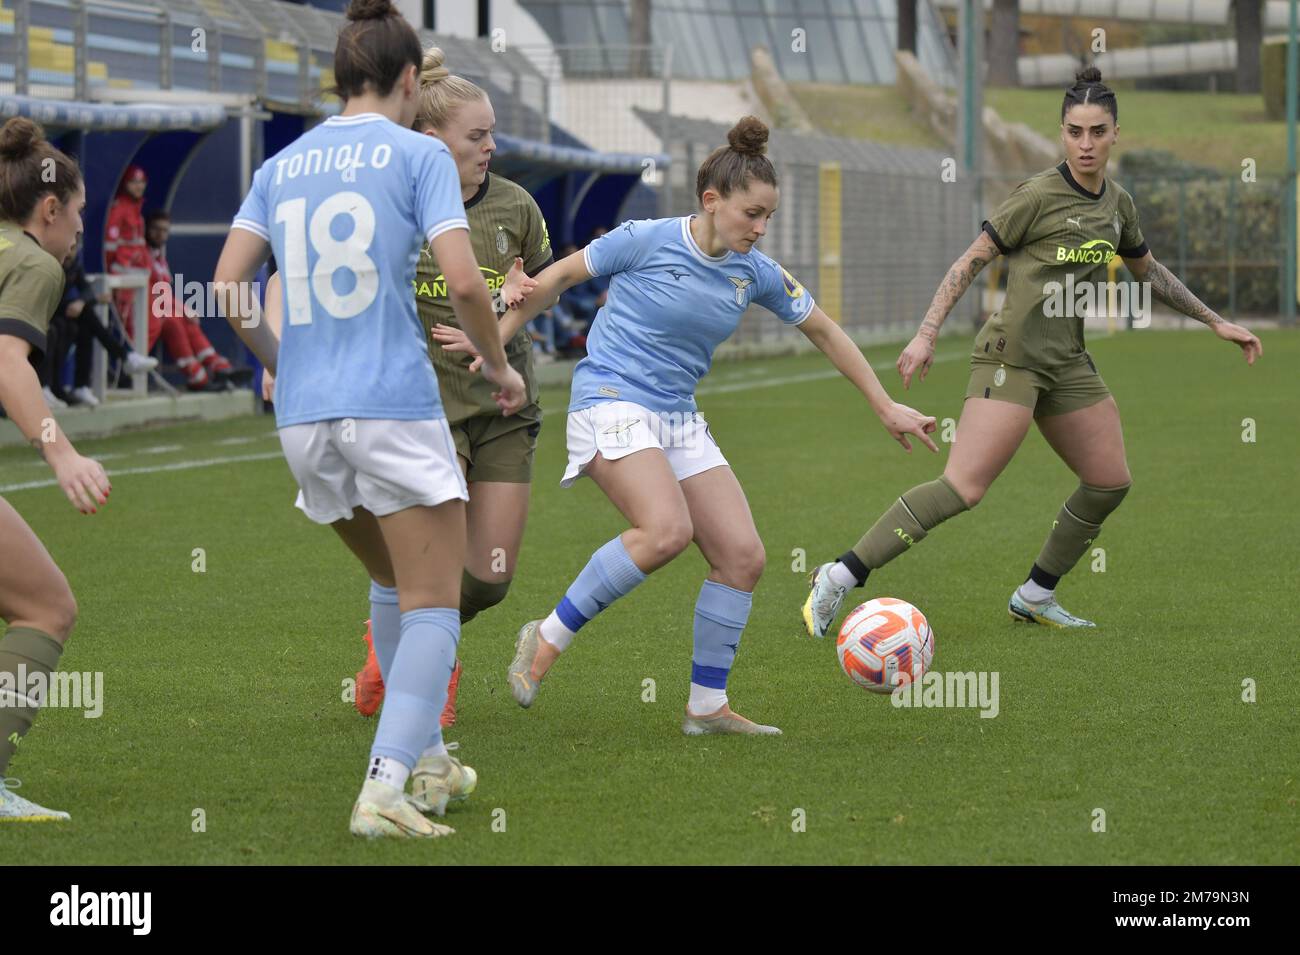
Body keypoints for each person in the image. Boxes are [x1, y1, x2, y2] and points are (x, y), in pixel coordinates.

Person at [446, 116, 937, 735]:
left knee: (743, 557)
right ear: (712, 201)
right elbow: (554, 280)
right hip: (609, 400)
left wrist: (884, 405)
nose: (760, 229)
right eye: (751, 214)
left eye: (768, 218)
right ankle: (544, 637)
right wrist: (496, 346)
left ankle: (706, 707)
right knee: (665, 530)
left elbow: (823, 329)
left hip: (676, 415)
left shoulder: (753, 272)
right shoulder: (644, 239)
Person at [802, 67, 1263, 638]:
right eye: (1074, 132)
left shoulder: (1119, 205)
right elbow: (969, 261)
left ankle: (1036, 594)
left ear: (1117, 132)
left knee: (1109, 480)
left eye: (1097, 131)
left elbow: (1150, 271)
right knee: (963, 488)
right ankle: (840, 576)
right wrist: (925, 333)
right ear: (1061, 134)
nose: (1086, 144)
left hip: (1067, 363)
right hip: (1010, 357)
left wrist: (1215, 321)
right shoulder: (1037, 195)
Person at [214, 0, 524, 839]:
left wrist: (284, 362)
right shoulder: (419, 152)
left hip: (306, 419)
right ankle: (384, 786)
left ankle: (425, 758)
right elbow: (465, 283)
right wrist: (498, 367)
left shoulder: (282, 164)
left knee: (392, 580)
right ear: (406, 82)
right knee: (433, 600)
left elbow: (227, 286)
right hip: (391, 400)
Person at [0, 116, 112, 822]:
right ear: (49, 208)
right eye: (78, 213)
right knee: (47, 606)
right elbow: (6, 361)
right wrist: (61, 449)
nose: (79, 231)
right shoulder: (34, 262)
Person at [145, 209, 249, 389]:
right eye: (156, 229)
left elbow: (164, 293)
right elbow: (153, 294)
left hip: (159, 309)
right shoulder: (143, 254)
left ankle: (218, 367)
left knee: (185, 320)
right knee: (174, 321)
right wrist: (182, 308)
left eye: (164, 230)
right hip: (143, 312)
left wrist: (183, 309)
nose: (160, 234)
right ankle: (197, 377)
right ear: (147, 229)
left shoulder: (159, 257)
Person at [50, 241, 158, 407]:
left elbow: (86, 289)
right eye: (69, 245)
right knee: (79, 318)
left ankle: (81, 385)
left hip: (62, 315)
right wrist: (87, 301)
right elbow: (47, 300)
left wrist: (83, 301)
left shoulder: (74, 264)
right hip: (45, 315)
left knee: (83, 325)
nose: (70, 250)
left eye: (74, 246)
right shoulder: (49, 264)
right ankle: (125, 357)